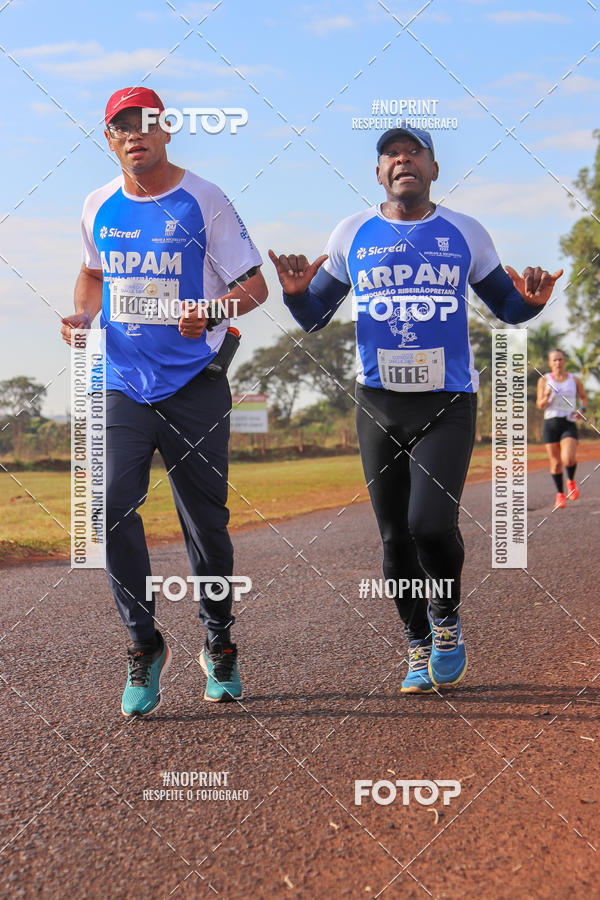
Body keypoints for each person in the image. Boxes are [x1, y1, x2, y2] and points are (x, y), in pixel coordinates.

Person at [269, 125, 562, 694]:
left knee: (430, 524)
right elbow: (313, 316)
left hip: (447, 401)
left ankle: (446, 618)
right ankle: (417, 644)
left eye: (413, 153)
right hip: (378, 404)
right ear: (379, 173)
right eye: (390, 156)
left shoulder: (465, 232)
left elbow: (505, 305)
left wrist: (530, 303)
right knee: (393, 537)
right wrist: (297, 292)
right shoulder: (352, 233)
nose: (401, 161)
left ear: (432, 169)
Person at [60, 87, 267, 716]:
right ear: (109, 139)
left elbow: (254, 287)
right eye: (122, 127)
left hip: (194, 384)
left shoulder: (204, 199)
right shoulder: (98, 203)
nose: (135, 135)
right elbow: (93, 275)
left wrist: (211, 308)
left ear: (167, 129)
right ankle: (144, 643)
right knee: (111, 508)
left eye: (146, 123)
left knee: (206, 525)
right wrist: (81, 314)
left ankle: (219, 639)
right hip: (122, 381)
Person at [536, 349, 587, 509]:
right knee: (556, 463)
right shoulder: (544, 380)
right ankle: (560, 495)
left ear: (564, 362)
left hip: (568, 422)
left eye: (560, 359)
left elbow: (584, 398)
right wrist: (545, 397)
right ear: (550, 363)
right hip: (551, 424)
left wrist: (581, 409)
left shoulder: (574, 379)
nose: (558, 363)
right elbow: (540, 405)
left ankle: (570, 481)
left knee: (568, 459)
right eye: (554, 360)